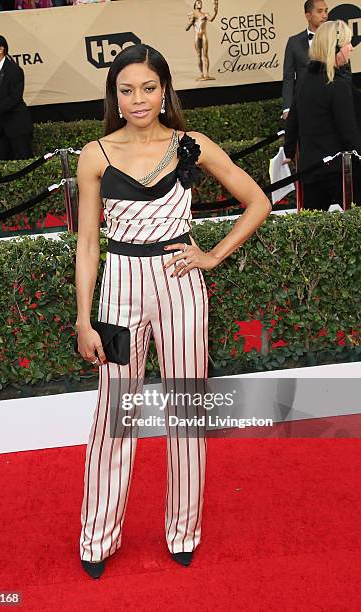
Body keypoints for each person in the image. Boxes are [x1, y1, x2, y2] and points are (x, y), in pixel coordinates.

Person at [75, 43, 271, 580]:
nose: (137, 99)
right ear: (113, 94)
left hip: (179, 284)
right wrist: (82, 317)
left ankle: (183, 531)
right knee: (115, 413)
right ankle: (97, 535)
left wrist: (211, 256)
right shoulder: (94, 154)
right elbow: (88, 244)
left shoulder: (191, 146)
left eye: (148, 87)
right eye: (126, 89)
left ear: (165, 90)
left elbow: (259, 201)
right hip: (117, 290)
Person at [283, 20, 361, 211]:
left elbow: (293, 120)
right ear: (335, 48)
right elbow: (349, 134)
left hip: (310, 171)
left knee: (312, 232)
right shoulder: (337, 85)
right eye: (347, 43)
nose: (351, 48)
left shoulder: (303, 80)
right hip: (340, 172)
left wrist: (289, 150)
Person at [282, 0, 328, 120]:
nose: (325, 15)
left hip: (330, 102)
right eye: (320, 11)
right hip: (304, 104)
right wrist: (287, 108)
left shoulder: (334, 39)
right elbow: (288, 77)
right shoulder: (294, 42)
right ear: (308, 16)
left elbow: (345, 73)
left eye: (326, 11)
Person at [186, 0, 218, 81]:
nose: (200, 4)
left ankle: (206, 74)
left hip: (204, 35)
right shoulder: (192, 15)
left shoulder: (205, 14)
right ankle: (201, 74)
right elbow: (187, 28)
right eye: (198, 3)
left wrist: (215, 10)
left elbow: (211, 19)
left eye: (201, 3)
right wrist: (191, 21)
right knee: (199, 55)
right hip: (197, 36)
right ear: (195, 5)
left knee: (205, 55)